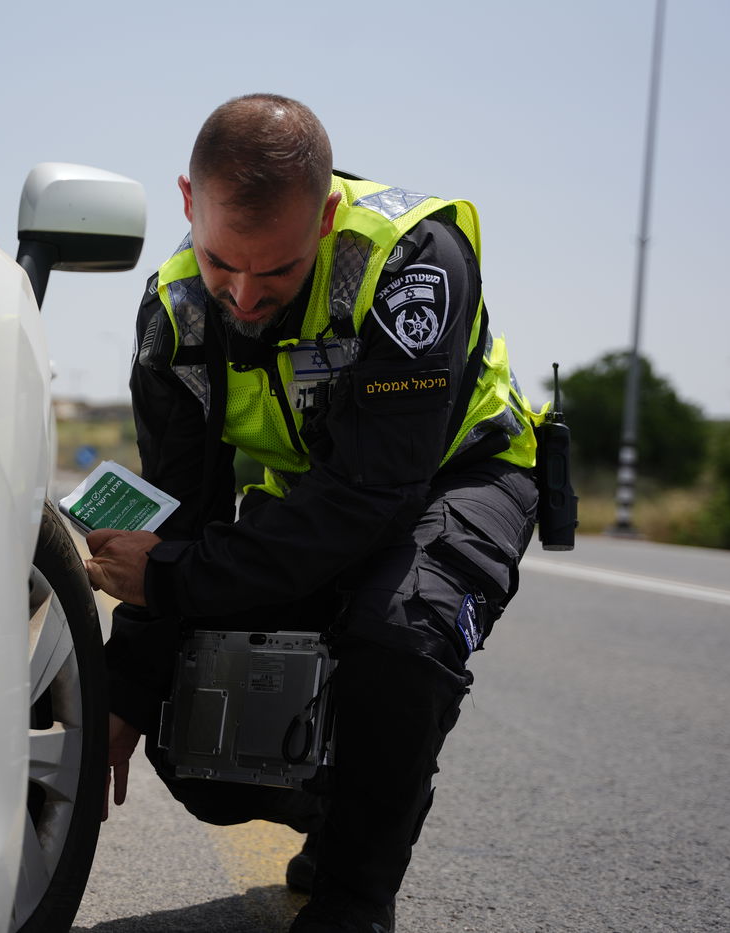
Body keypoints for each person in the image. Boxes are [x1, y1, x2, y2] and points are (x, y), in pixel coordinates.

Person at [84, 93, 541, 933]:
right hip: (310, 504)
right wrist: (124, 686)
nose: (247, 297)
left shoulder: (411, 263)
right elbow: (181, 514)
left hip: (455, 479)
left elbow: (374, 492)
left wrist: (177, 577)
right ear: (189, 203)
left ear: (325, 215)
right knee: (197, 738)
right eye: (224, 262)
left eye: (280, 271)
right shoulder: (176, 313)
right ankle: (348, 798)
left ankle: (355, 893)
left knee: (399, 632)